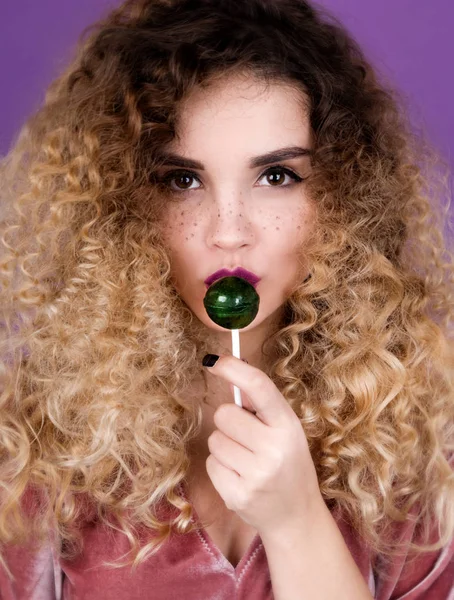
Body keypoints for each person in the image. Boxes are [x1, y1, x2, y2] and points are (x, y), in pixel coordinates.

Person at [0, 0, 453, 598]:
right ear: (122, 206)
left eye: (276, 177)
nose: (229, 230)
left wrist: (297, 524)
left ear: (343, 196)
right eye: (182, 180)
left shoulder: (417, 435)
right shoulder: (36, 444)